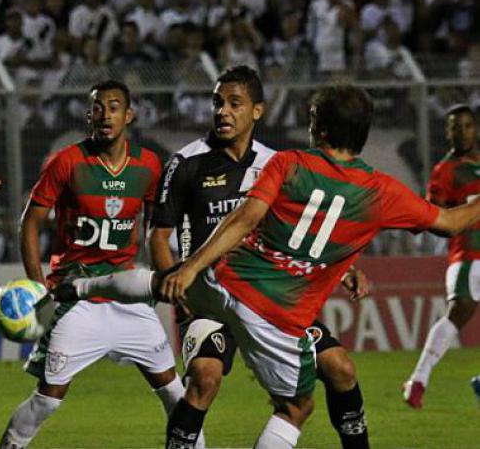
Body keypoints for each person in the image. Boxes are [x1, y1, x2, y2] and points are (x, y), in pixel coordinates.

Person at [55, 85, 480, 448]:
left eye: (313, 118)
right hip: (277, 316)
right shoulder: (381, 191)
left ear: (323, 128)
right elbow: (449, 222)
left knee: (158, 281)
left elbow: (243, 218)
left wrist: (191, 267)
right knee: (297, 407)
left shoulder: (289, 163)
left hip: (226, 280)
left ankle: (81, 287)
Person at [150, 65, 371, 448]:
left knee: (340, 368)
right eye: (218, 102)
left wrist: (347, 267)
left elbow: (301, 229)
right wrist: (174, 281)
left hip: (270, 296)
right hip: (207, 299)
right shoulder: (185, 163)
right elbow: (159, 235)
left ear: (257, 111)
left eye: (235, 103)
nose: (223, 111)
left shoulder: (276, 163)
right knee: (205, 378)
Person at [0, 79, 196, 449]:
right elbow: (31, 221)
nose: (106, 114)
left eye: (114, 106)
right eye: (98, 107)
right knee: (47, 399)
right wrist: (37, 287)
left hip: (128, 297)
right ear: (89, 115)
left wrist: (164, 276)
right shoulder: (67, 162)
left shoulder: (149, 166)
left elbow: (157, 230)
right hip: (76, 297)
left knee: (175, 392)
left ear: (129, 115)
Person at [403, 104, 480, 409]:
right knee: (459, 310)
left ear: (475, 128)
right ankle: (418, 379)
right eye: (454, 126)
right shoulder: (444, 171)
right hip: (469, 255)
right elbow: (432, 216)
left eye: (467, 125)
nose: (461, 131)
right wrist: (448, 227)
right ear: (446, 131)